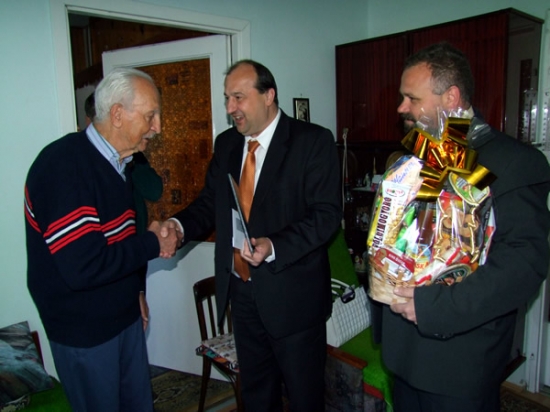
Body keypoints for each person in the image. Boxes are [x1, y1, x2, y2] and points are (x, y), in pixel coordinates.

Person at [374, 42, 550, 412]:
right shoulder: (416, 157)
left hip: (457, 363)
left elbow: (524, 265)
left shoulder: (513, 162)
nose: (401, 107)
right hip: (401, 352)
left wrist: (436, 308)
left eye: (411, 98)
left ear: (451, 97)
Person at [170, 60, 342, 411]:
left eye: (238, 97)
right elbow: (209, 203)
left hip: (294, 301)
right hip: (243, 294)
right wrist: (179, 226)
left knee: (304, 399)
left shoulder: (312, 141)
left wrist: (274, 245)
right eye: (227, 98)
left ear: (268, 95)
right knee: (257, 397)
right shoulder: (227, 145)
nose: (230, 107)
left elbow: (326, 216)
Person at [24, 67, 179, 412]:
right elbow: (84, 266)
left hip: (124, 317)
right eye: (151, 115)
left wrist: (137, 290)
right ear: (118, 115)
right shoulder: (63, 165)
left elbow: (121, 239)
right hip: (86, 333)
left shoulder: (120, 165)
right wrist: (153, 243)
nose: (157, 127)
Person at [85, 90, 164, 331]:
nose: (156, 127)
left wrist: (130, 159)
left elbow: (154, 190)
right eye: (149, 116)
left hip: (133, 261)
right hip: (96, 299)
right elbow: (87, 262)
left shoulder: (131, 160)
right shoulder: (79, 167)